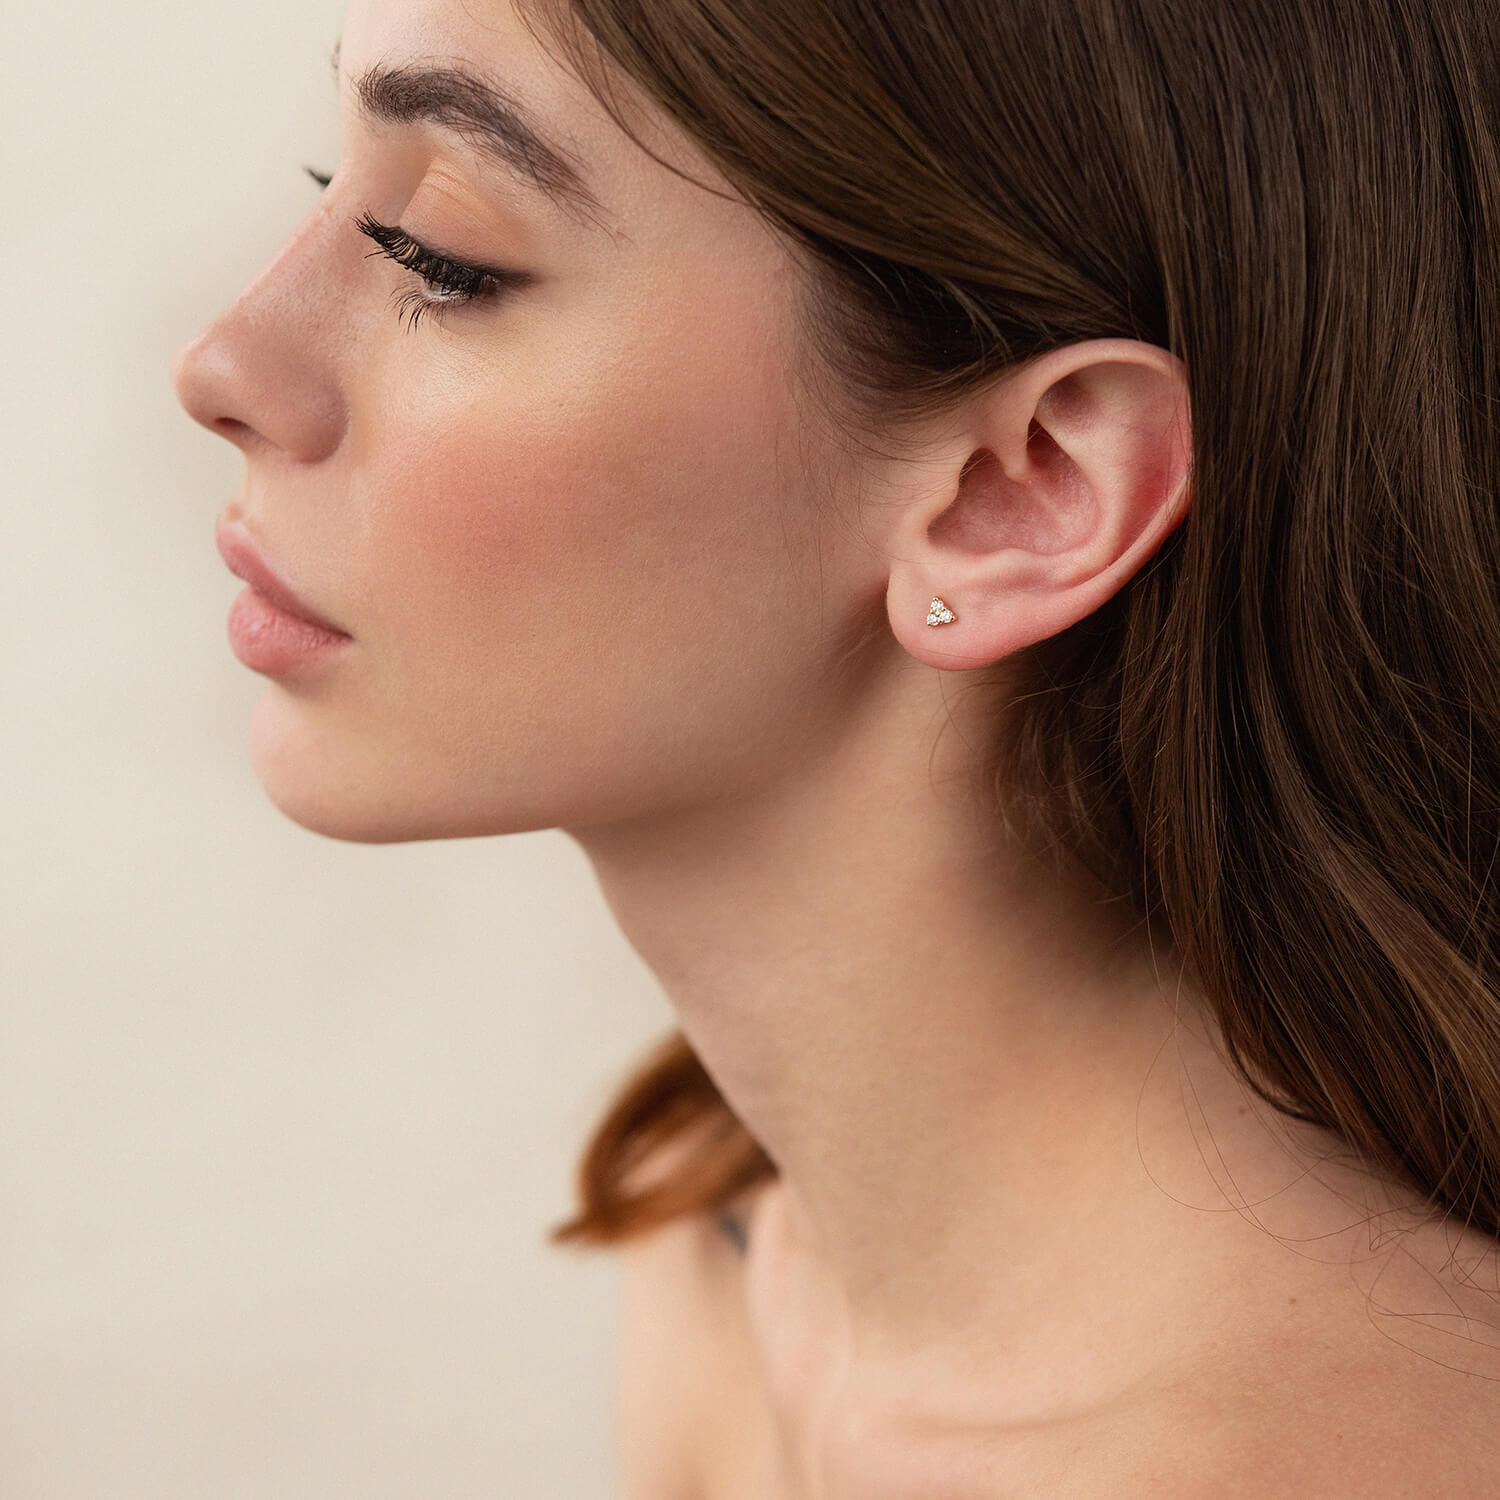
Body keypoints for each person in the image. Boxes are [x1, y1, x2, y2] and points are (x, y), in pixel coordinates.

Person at [171, 0, 1500, 1492]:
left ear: (1026, 491)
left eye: (442, 259)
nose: (219, 365)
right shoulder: (728, 1238)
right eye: (331, 187)